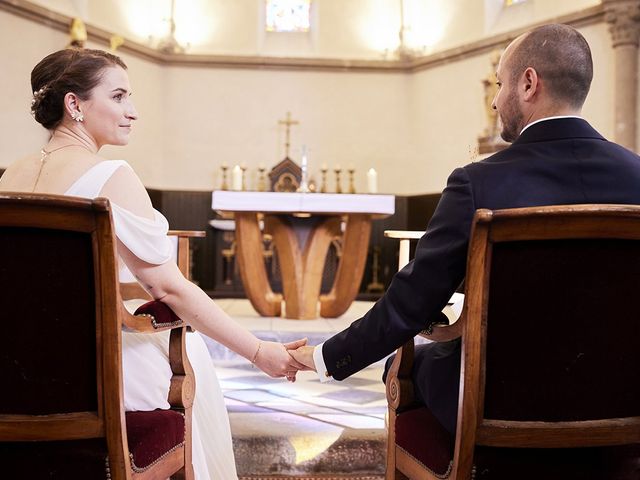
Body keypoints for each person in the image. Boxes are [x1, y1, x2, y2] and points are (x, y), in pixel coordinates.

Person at [289, 23, 640, 436]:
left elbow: (411, 304)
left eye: (499, 84)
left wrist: (325, 357)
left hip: (502, 402)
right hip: (622, 397)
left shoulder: (478, 184)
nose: (494, 101)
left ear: (528, 84)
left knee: (404, 367)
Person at [0, 48, 307, 479]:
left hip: (16, 372)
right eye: (120, 96)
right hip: (97, 378)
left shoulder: (9, 178)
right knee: (191, 351)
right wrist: (259, 352)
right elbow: (169, 289)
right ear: (75, 105)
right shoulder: (113, 177)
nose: (133, 112)